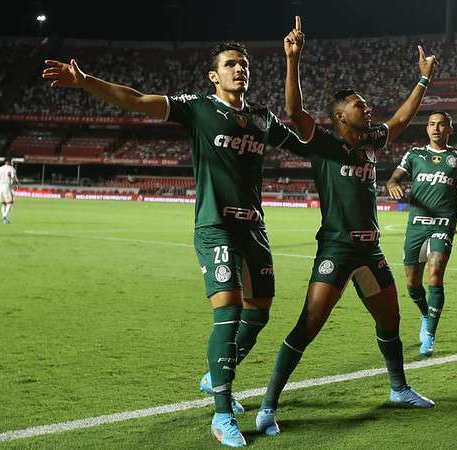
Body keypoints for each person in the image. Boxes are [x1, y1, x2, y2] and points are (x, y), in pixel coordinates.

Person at [43, 42, 305, 448]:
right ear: (214, 76)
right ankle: (221, 414)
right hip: (214, 225)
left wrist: (293, 62)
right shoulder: (197, 108)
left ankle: (217, 372)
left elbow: (304, 139)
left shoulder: (261, 118)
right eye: (230, 64)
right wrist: (84, 82)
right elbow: (135, 99)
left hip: (254, 228)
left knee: (261, 312)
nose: (239, 70)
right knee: (230, 310)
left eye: (244, 64)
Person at [255, 17, 437, 437]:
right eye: (359, 104)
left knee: (389, 322)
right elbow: (292, 112)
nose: (367, 107)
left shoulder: (371, 141)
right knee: (308, 325)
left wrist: (422, 81)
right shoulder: (322, 142)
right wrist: (293, 59)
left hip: (370, 252)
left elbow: (401, 121)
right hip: (335, 251)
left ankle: (398, 388)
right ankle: (268, 405)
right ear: (339, 115)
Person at [385, 110, 457, 356]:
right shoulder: (415, 155)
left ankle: (430, 335)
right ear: (427, 129)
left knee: (434, 276)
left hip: (443, 223)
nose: (436, 128)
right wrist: (393, 183)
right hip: (416, 224)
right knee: (412, 285)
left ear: (450, 129)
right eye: (432, 124)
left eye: (441, 124)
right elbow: (394, 178)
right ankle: (426, 313)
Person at [0, 159, 19, 224]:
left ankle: (4, 217)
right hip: (7, 187)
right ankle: (5, 216)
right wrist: (15, 185)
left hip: (0, 187)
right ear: (9, 162)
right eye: (11, 162)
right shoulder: (11, 169)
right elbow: (13, 178)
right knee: (10, 203)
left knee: (3, 203)